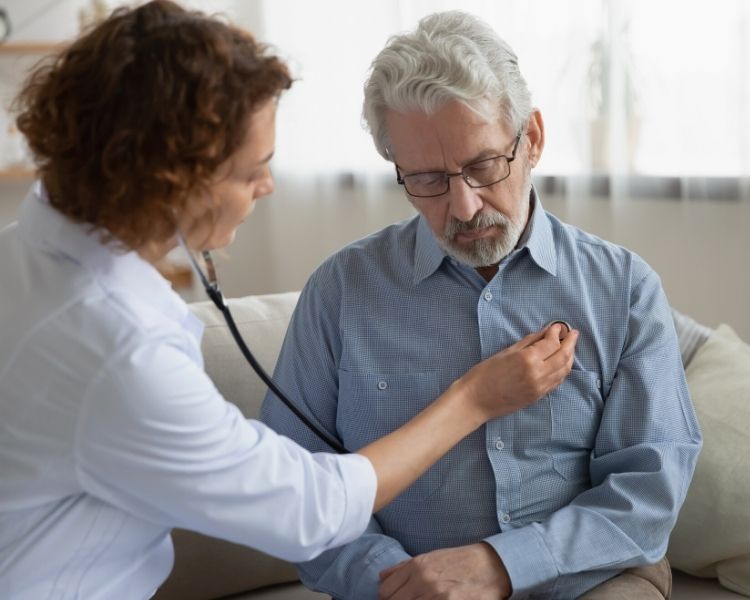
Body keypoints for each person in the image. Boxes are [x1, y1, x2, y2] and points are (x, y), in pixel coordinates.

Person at [0, 3, 581, 599]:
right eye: (252, 170)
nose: (268, 186)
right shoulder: (118, 351)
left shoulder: (22, 257)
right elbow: (310, 512)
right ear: (172, 183)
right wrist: (474, 399)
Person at [261, 10, 703, 600]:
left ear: (533, 140)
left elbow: (647, 496)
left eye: (482, 166)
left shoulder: (623, 289)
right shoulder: (341, 293)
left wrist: (500, 565)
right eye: (427, 179)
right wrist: (398, 582)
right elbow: (294, 485)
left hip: (593, 580)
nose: (465, 208)